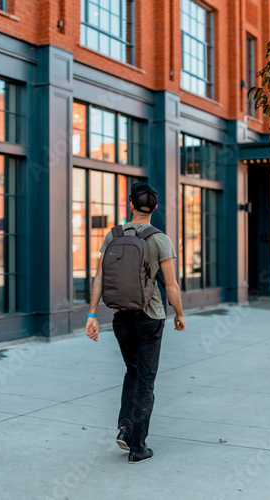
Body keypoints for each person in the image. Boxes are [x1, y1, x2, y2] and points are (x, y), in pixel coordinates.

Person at [85, 182, 186, 464]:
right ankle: (138, 447)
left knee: (132, 371)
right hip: (150, 317)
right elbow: (172, 285)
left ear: (130, 204)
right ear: (154, 208)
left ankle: (126, 427)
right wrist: (179, 314)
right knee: (146, 379)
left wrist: (92, 314)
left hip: (121, 317)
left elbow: (99, 278)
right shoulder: (160, 239)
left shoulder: (113, 235)